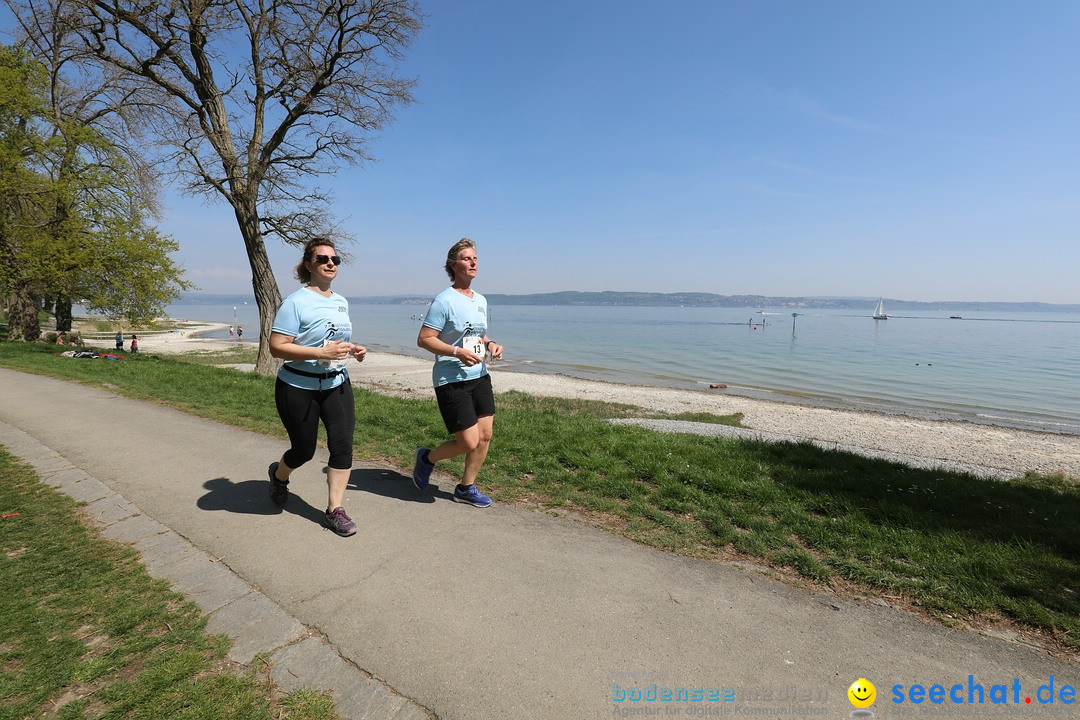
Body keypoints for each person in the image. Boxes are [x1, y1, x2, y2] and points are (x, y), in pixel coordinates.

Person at [267, 237, 367, 536]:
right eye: (323, 259)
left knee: (342, 446)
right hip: (298, 386)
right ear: (309, 264)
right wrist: (320, 354)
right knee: (303, 451)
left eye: (335, 260)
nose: (330, 264)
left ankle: (335, 509)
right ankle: (279, 476)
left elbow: (332, 339)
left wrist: (353, 349)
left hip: (336, 384)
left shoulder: (340, 301)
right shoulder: (295, 302)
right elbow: (276, 347)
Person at [412, 238, 504, 508]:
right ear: (453, 265)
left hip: (479, 375)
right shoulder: (444, 301)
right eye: (467, 258)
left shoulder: (481, 300)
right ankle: (426, 458)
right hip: (451, 379)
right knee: (467, 441)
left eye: (475, 258)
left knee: (485, 435)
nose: (473, 262)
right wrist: (456, 352)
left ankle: (466, 487)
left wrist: (491, 345)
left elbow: (478, 334)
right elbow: (425, 339)